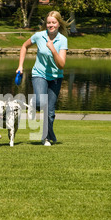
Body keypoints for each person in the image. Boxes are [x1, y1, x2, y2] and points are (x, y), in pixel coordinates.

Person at [16, 11, 70, 146]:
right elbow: (24, 46)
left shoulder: (62, 40)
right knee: (41, 101)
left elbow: (61, 65)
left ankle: (46, 137)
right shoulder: (39, 36)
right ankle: (34, 105)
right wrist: (20, 66)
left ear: (58, 24)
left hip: (56, 77)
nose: (50, 25)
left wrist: (52, 49)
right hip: (39, 74)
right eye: (48, 22)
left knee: (50, 112)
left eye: (53, 22)